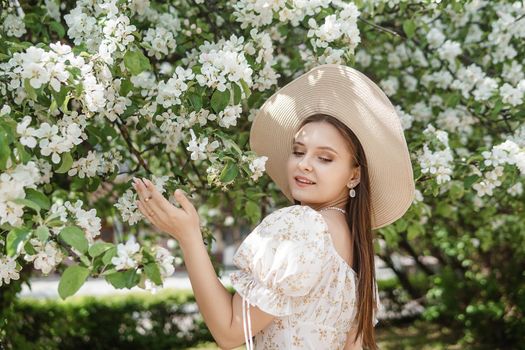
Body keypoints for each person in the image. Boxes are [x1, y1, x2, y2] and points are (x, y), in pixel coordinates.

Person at [133, 64, 415, 350]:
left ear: (354, 174)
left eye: (325, 158)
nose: (304, 163)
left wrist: (188, 236)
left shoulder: (303, 226)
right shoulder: (356, 244)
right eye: (298, 151)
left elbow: (231, 332)